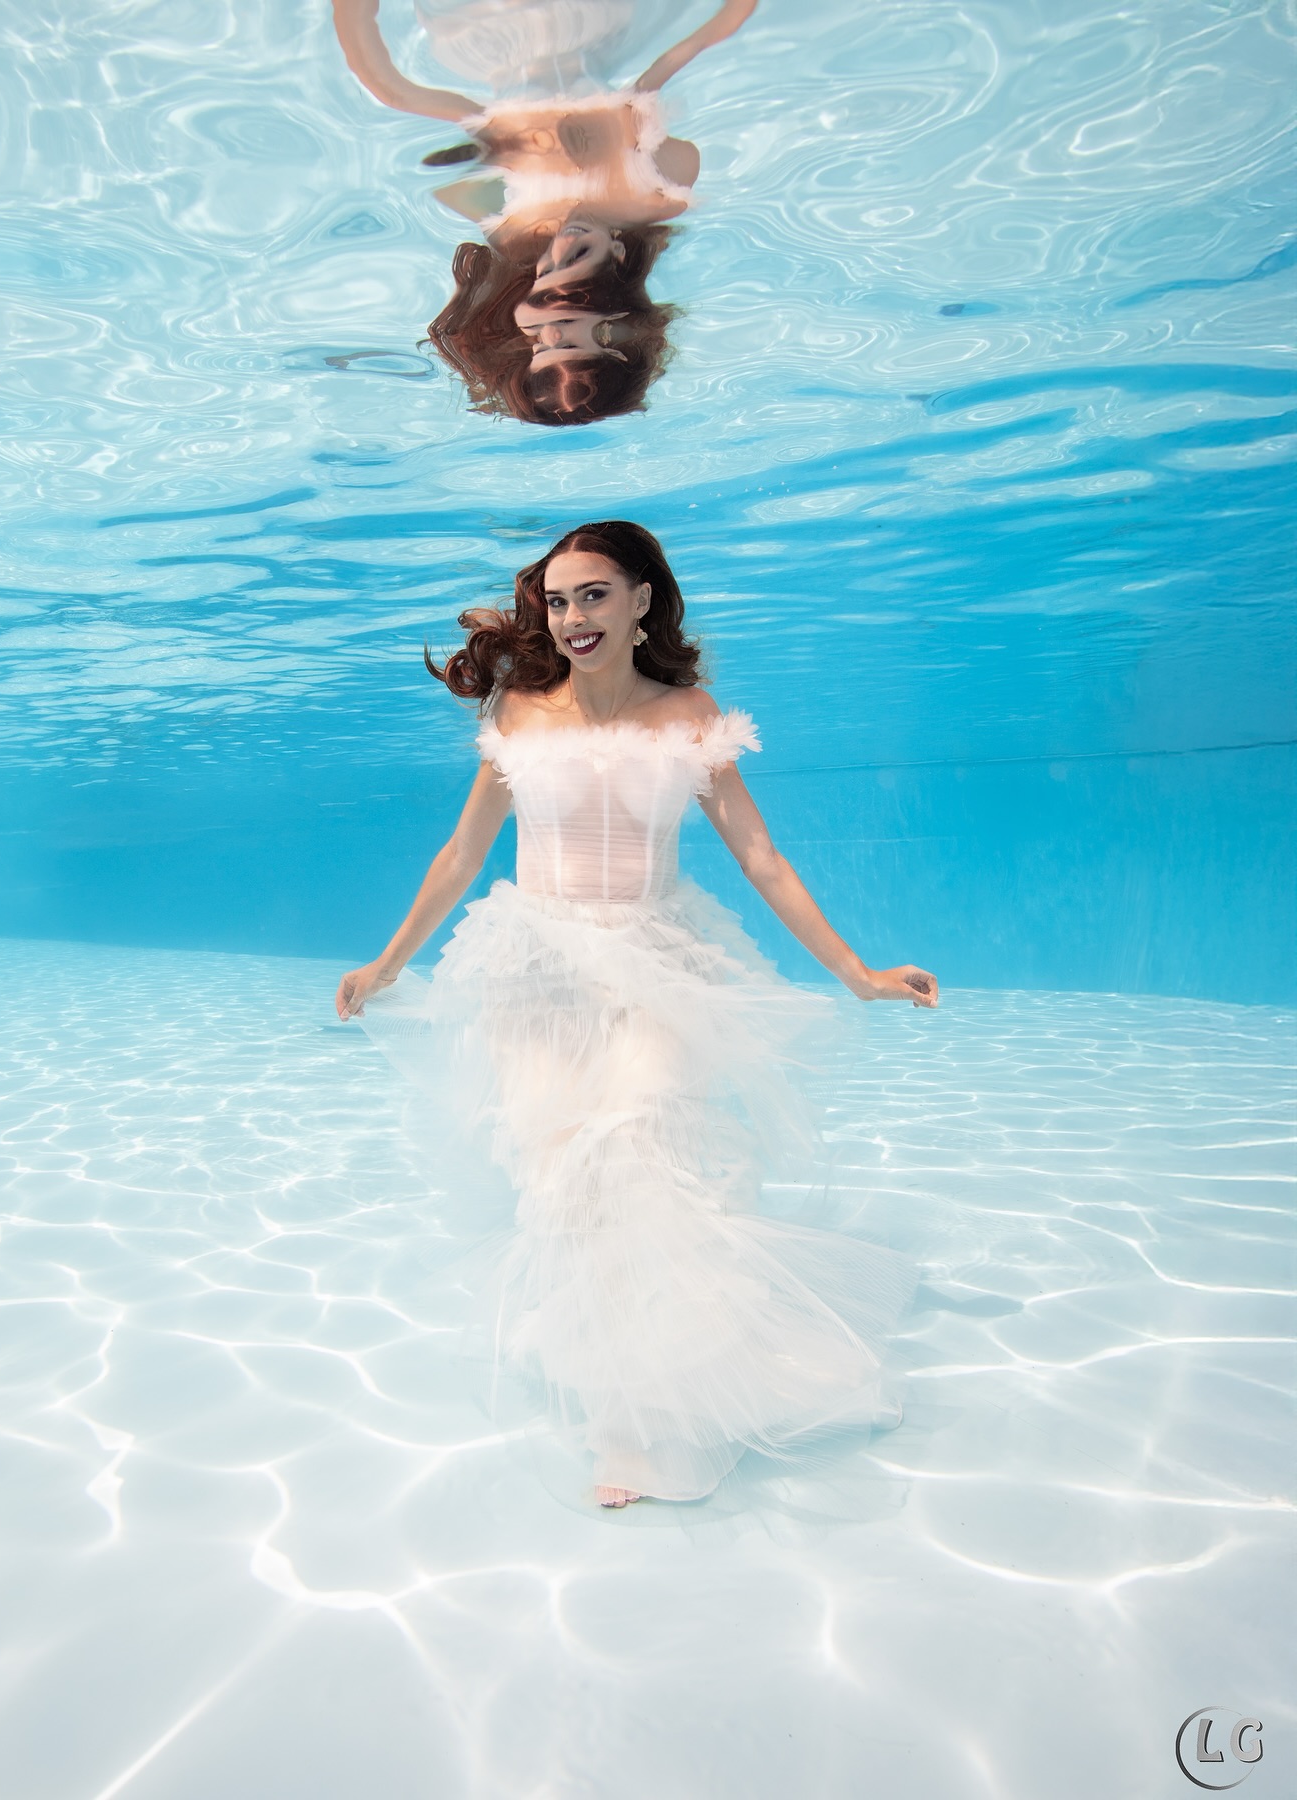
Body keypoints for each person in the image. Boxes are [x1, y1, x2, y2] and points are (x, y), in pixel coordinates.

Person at [336, 520, 937, 1509]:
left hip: (656, 960)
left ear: (641, 602)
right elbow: (462, 855)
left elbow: (760, 857)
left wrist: (857, 972)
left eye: (595, 595)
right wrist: (389, 962)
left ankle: (663, 1417)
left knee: (649, 1154)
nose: (573, 618)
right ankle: (622, 1400)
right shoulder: (520, 714)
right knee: (572, 1188)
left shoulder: (688, 715)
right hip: (535, 972)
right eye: (557, 601)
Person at [329, 1, 759, 422]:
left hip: (482, 33)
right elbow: (685, 55)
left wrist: (500, 151)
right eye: (568, 340)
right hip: (601, 21)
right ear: (615, 328)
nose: (549, 331)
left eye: (538, 344)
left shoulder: (511, 223)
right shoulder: (652, 193)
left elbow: (395, 94)